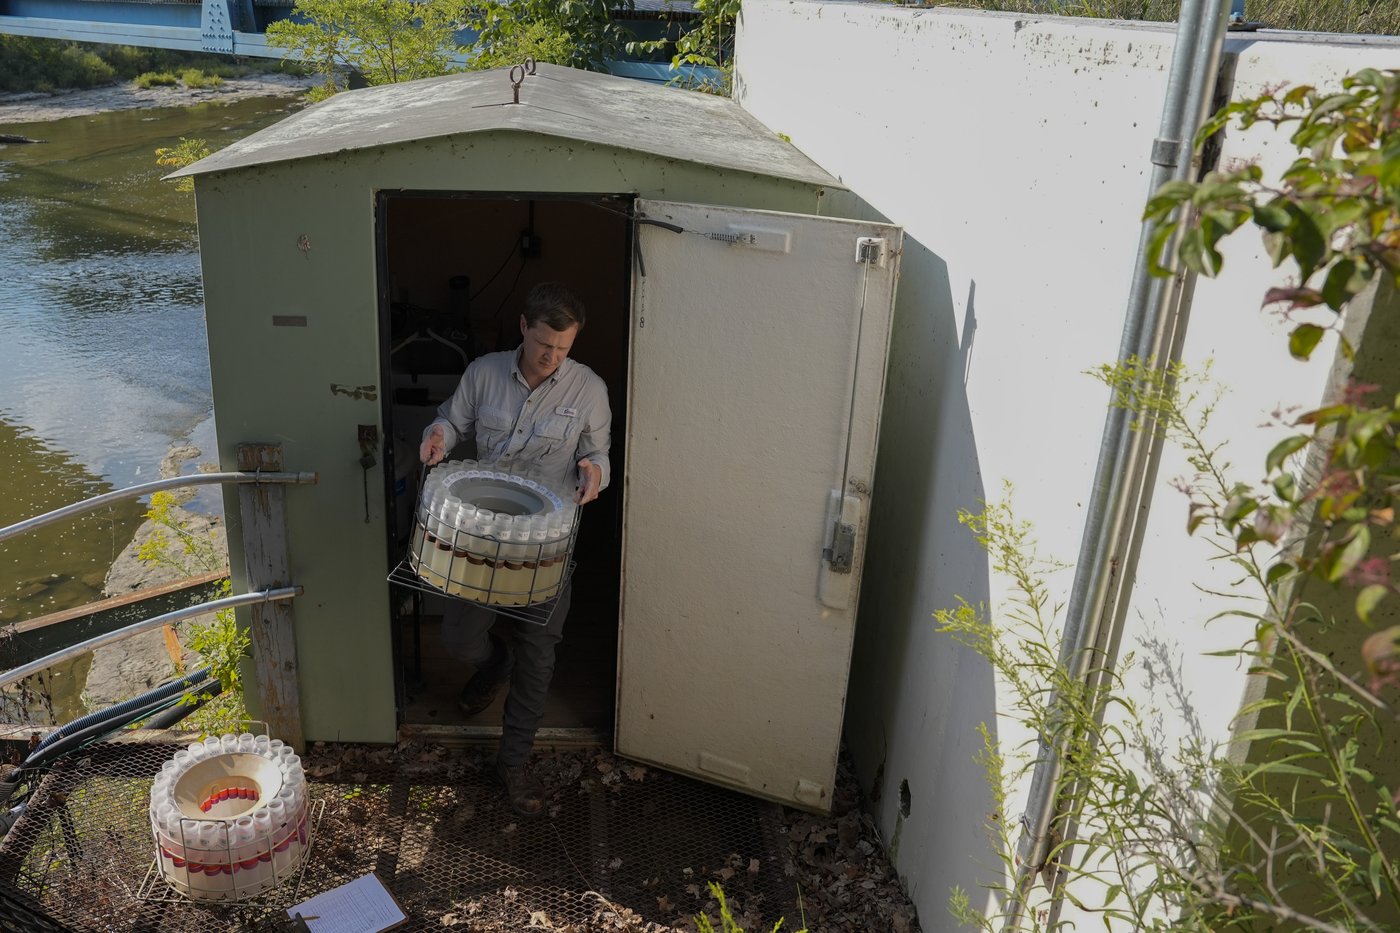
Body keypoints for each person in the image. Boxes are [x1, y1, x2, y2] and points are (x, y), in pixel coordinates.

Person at [419, 281, 610, 817]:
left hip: (546, 542)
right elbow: (451, 422)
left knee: (540, 649)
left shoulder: (588, 389)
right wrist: (438, 436)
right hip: (481, 536)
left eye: (564, 349)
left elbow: (599, 454)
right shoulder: (483, 372)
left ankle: (514, 761)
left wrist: (594, 472)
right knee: (459, 636)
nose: (552, 358)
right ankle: (492, 662)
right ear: (523, 327)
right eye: (544, 343)